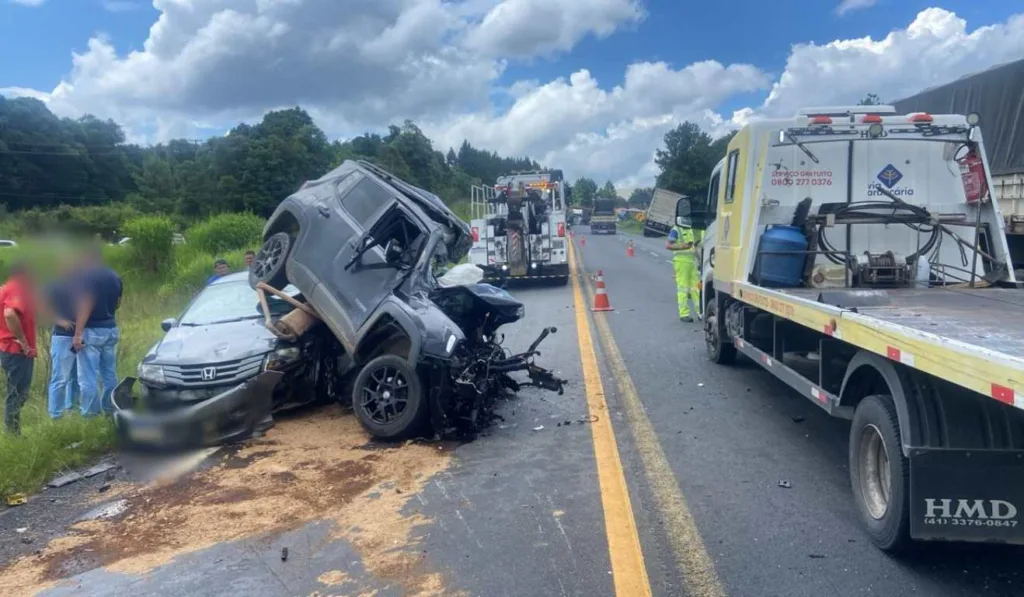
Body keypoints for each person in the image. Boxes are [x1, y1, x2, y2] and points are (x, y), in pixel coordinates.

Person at [72, 246, 123, 416]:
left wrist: (78, 334)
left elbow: (85, 305)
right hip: (111, 329)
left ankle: (90, 414)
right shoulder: (115, 276)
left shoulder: (87, 277)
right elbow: (118, 303)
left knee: (87, 376)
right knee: (109, 374)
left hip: (92, 331)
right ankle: (109, 409)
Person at [0, 262, 38, 434]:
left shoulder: (6, 288)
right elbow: (9, 314)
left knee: (17, 393)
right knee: (17, 394)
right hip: (16, 350)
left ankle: (13, 431)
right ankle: (13, 434)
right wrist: (23, 341)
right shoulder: (17, 289)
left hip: (10, 349)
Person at [44, 258, 82, 419]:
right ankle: (55, 414)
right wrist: (60, 321)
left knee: (76, 377)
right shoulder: (53, 286)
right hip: (62, 337)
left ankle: (72, 407)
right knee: (60, 378)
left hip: (79, 337)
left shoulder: (80, 287)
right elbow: (42, 307)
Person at [666, 219, 702, 322]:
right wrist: (682, 247)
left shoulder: (690, 229)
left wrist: (699, 261)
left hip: (691, 262)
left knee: (696, 288)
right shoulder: (676, 230)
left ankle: (700, 313)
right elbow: (668, 245)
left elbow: (693, 247)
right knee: (683, 288)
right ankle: (684, 314)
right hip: (681, 262)